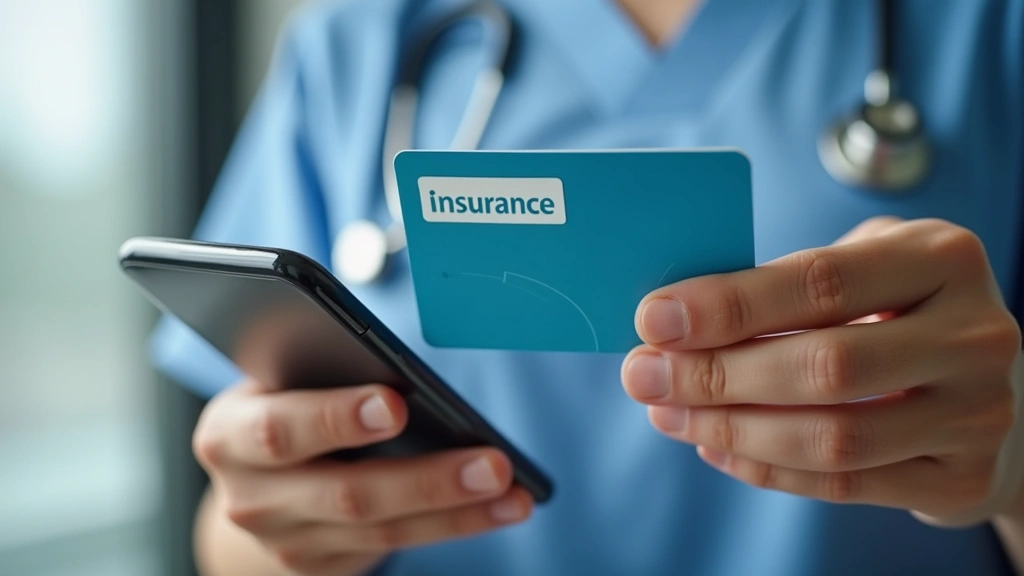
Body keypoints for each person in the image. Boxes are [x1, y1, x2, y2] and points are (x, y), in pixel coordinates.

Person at [148, 0, 1024, 574]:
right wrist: (278, 530)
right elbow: (231, 529)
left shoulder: (984, 30)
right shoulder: (359, 41)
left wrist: (1013, 471)